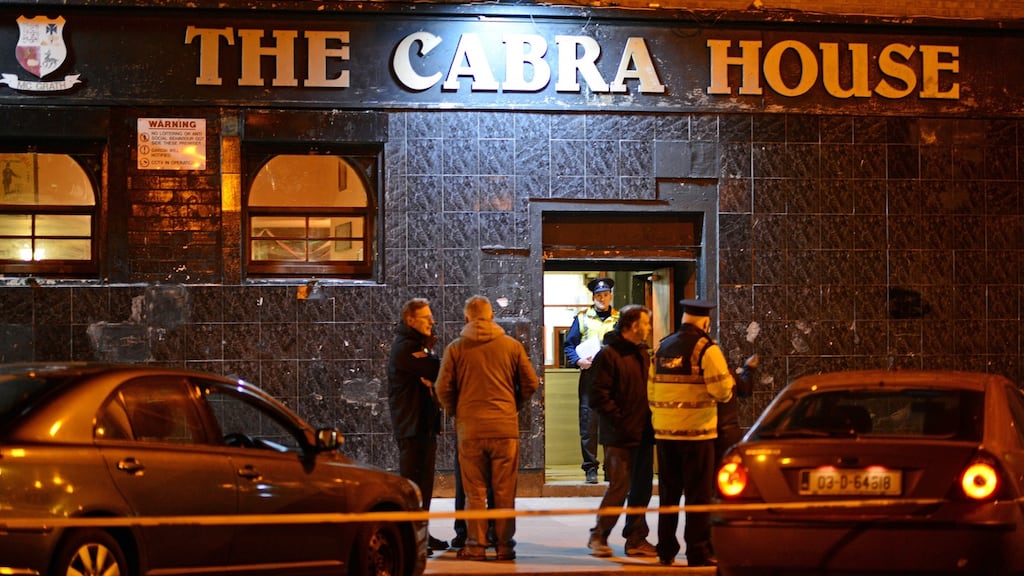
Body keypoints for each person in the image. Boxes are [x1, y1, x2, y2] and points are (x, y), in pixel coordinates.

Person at [436, 295, 539, 562]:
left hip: (470, 429)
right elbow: (530, 383)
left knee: (475, 491)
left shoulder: (456, 349)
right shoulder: (512, 346)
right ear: (492, 316)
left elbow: (442, 389)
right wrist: (512, 404)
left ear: (467, 317)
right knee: (504, 490)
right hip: (505, 428)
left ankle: (475, 545)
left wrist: (458, 411)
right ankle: (505, 546)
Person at [648, 298, 737, 567]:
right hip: (697, 435)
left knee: (669, 494)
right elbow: (722, 392)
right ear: (705, 321)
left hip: (665, 434)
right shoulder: (706, 349)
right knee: (698, 496)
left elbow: (651, 391)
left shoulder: (662, 346)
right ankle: (697, 552)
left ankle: (665, 549)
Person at [586, 304, 658, 558]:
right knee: (619, 486)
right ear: (632, 326)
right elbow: (597, 396)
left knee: (641, 488)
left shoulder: (643, 353)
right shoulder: (609, 355)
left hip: (644, 433)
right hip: (619, 435)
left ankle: (636, 539)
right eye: (646, 323)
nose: (650, 328)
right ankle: (599, 535)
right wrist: (620, 420)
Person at [386, 298, 449, 554]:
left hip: (423, 426)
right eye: (426, 318)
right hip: (411, 427)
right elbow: (437, 369)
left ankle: (422, 532)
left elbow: (433, 371)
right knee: (413, 485)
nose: (432, 321)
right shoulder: (405, 347)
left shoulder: (420, 345)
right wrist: (431, 372)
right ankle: (412, 538)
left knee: (425, 485)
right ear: (411, 320)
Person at [563, 276, 619, 484]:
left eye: (605, 295)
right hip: (590, 376)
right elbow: (569, 345)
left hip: (614, 378)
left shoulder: (619, 319)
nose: (602, 298)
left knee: (611, 423)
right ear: (593, 297)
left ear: (610, 296)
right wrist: (578, 360)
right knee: (588, 424)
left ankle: (611, 467)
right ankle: (590, 468)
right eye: (598, 295)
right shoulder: (582, 318)